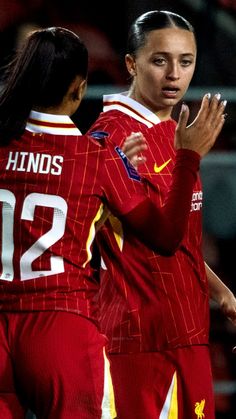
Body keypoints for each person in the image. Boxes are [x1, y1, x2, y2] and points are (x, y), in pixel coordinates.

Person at [0, 26, 225, 419]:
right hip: (60, 326)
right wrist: (187, 157)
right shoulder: (96, 156)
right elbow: (167, 237)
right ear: (78, 88)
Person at [87, 10, 236, 419]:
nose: (174, 74)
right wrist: (189, 158)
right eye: (159, 60)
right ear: (132, 64)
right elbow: (157, 237)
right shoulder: (111, 137)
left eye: (185, 61)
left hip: (188, 334)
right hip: (140, 343)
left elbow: (177, 236)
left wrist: (219, 291)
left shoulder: (177, 133)